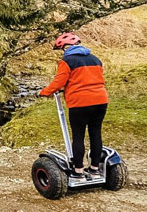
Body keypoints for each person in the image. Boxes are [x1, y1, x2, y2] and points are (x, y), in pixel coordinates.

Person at [39, 32, 108, 182]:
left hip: (80, 102)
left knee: (78, 135)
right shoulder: (95, 59)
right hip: (101, 100)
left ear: (65, 47)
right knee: (96, 133)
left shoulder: (67, 61)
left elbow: (59, 82)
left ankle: (78, 172)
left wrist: (44, 92)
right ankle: (95, 170)